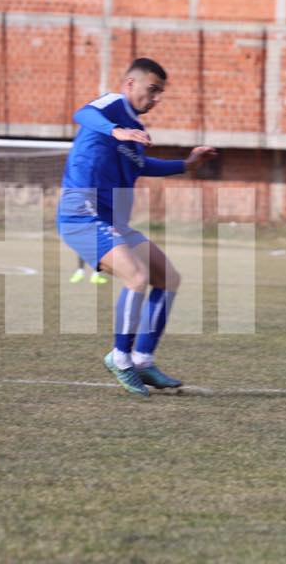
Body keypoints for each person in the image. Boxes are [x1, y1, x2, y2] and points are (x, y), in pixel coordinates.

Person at [57, 57, 217, 397]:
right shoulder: (112, 107)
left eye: (161, 93)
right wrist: (113, 129)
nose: (156, 98)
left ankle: (143, 360)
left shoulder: (135, 134)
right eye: (152, 89)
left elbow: (143, 165)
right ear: (130, 84)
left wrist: (186, 165)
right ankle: (120, 359)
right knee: (137, 277)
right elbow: (82, 114)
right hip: (81, 213)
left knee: (167, 278)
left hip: (111, 219)